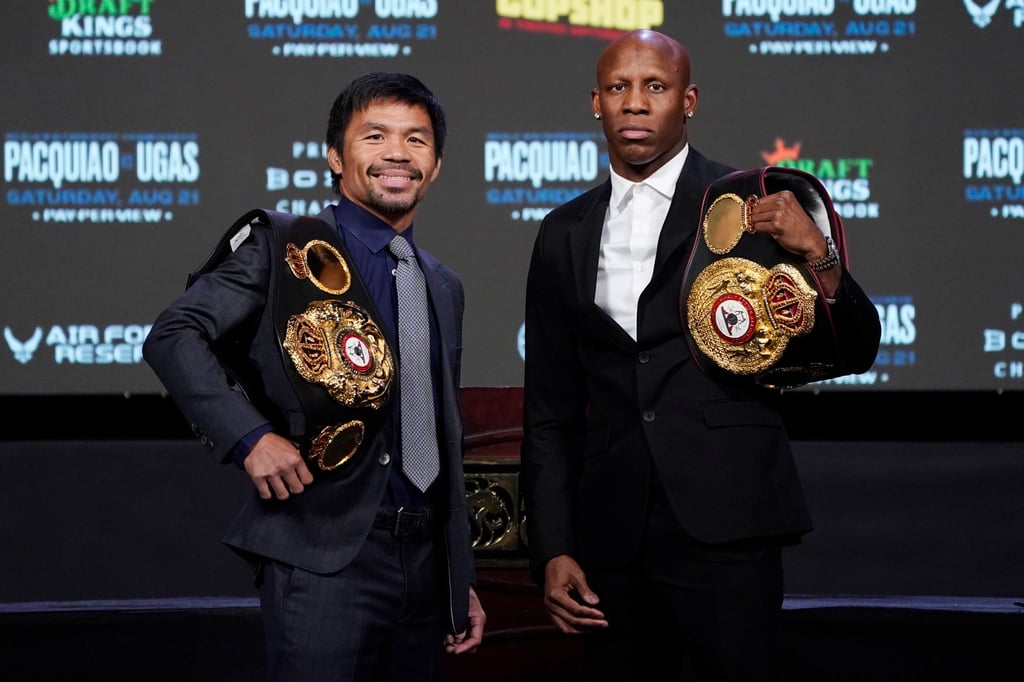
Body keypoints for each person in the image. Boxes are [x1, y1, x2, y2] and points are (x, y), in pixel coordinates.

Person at [520, 30, 881, 681]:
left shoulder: (753, 204)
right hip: (612, 534)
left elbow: (855, 349)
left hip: (728, 518)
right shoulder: (559, 233)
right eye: (618, 88)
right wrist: (552, 547)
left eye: (654, 87)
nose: (634, 103)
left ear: (687, 101)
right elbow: (548, 410)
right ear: (595, 103)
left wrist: (818, 256)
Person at [143, 71, 484, 681]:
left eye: (417, 140)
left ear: (435, 166)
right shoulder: (284, 247)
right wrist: (250, 438)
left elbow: (439, 432)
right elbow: (173, 335)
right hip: (327, 555)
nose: (397, 154)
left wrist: (461, 576)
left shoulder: (443, 284)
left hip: (427, 567)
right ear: (335, 155)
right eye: (374, 136)